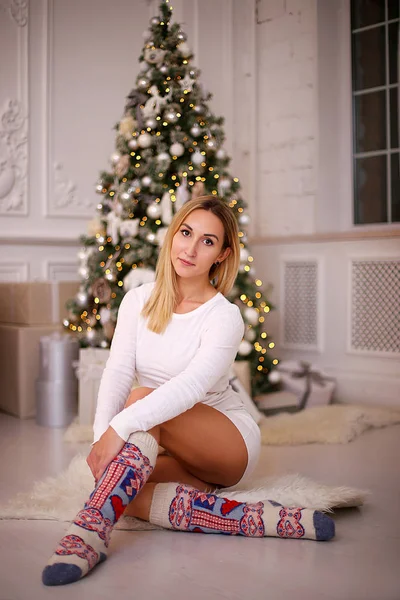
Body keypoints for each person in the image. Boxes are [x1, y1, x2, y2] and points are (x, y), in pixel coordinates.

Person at [42, 196, 335, 586]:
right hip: (173, 445)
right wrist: (102, 445)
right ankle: (256, 519)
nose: (191, 248)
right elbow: (116, 371)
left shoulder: (223, 316)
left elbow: (191, 387)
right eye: (186, 233)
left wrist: (118, 430)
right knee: (119, 486)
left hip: (227, 442)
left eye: (208, 241)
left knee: (141, 399)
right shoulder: (138, 301)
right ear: (173, 234)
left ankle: (88, 534)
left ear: (222, 254)